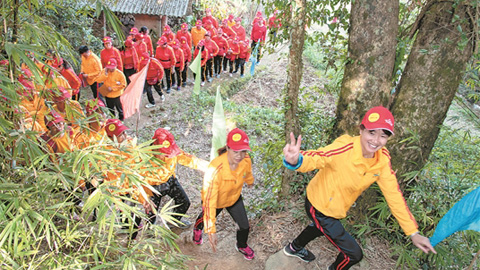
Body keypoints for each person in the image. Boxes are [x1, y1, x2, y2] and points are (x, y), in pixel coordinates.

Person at [282, 106, 436, 269]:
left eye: (383, 136)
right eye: (372, 132)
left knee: (320, 228)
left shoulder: (382, 160)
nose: (376, 140)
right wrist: (296, 159)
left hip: (337, 207)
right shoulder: (345, 148)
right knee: (353, 254)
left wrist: (413, 232)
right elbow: (319, 157)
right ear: (361, 130)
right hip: (319, 205)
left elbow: (394, 196)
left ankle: (294, 248)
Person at [193, 128, 255, 260]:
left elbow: (248, 173)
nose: (240, 155)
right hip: (216, 202)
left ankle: (242, 245)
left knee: (244, 226)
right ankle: (197, 229)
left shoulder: (245, 160)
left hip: (234, 198)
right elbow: (209, 200)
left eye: (243, 151)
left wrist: (250, 181)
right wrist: (211, 230)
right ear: (227, 148)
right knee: (204, 218)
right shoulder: (215, 169)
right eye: (235, 151)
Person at [145, 128, 208, 228]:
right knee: (151, 211)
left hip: (169, 180)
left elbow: (189, 160)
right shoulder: (144, 158)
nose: (168, 156)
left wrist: (208, 167)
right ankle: (149, 228)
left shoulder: (172, 151)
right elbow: (138, 181)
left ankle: (173, 221)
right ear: (155, 146)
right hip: (152, 187)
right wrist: (144, 198)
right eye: (164, 153)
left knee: (184, 202)